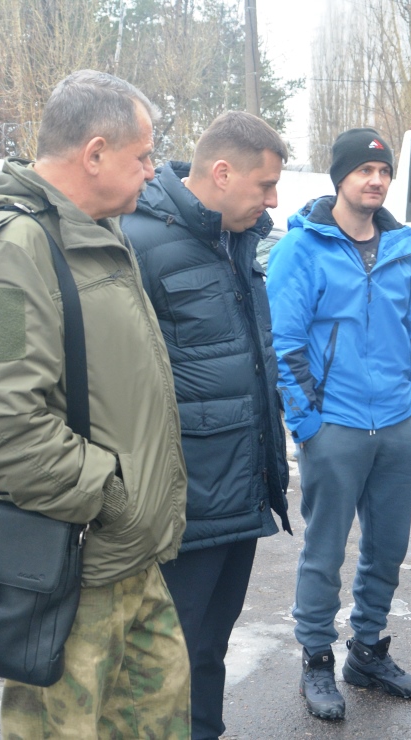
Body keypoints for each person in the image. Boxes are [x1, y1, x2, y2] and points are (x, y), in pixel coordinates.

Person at [0, 70, 191, 739]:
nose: (153, 172)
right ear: (95, 153)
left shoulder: (94, 234)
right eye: (142, 157)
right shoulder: (8, 252)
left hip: (129, 561)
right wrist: (108, 495)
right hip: (73, 567)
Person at [121, 111, 293, 740]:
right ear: (222, 173)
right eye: (265, 186)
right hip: (181, 505)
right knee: (165, 661)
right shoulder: (137, 241)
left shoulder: (236, 240)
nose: (274, 200)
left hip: (238, 494)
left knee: (206, 654)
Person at [266, 127, 411, 721]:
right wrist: (307, 422)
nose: (376, 181)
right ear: (340, 177)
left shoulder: (399, 248)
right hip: (333, 425)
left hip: (396, 423)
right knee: (325, 549)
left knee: (388, 546)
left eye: (383, 173)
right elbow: (284, 345)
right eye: (365, 171)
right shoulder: (302, 249)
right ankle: (316, 659)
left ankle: (368, 650)